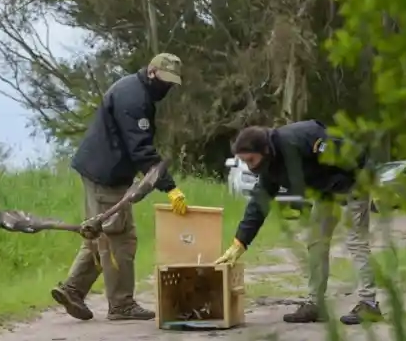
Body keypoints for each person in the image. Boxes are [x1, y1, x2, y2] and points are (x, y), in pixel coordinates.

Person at [50, 53, 190, 321]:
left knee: (100, 233)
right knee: (121, 239)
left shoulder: (135, 90)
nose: (168, 87)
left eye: (173, 83)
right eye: (165, 81)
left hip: (101, 169)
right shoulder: (134, 99)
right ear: (151, 72)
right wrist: (169, 187)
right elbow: (142, 150)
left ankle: (73, 289)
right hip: (106, 174)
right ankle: (121, 304)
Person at [213, 120, 382, 325]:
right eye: (245, 162)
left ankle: (369, 304)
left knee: (356, 242)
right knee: (316, 242)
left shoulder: (298, 140)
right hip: (326, 192)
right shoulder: (269, 167)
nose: (250, 166)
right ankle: (315, 305)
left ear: (265, 150)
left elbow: (351, 153)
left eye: (251, 160)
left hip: (354, 184)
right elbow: (259, 204)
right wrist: (239, 243)